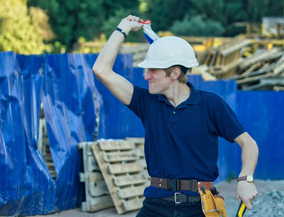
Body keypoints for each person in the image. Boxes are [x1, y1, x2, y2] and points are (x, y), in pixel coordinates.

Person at [92, 15, 259, 217]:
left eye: (153, 70)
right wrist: (122, 28)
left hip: (199, 207)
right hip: (155, 204)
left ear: (174, 73)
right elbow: (101, 70)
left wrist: (245, 180)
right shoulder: (146, 102)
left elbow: (248, 143)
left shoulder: (210, 104)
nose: (146, 76)